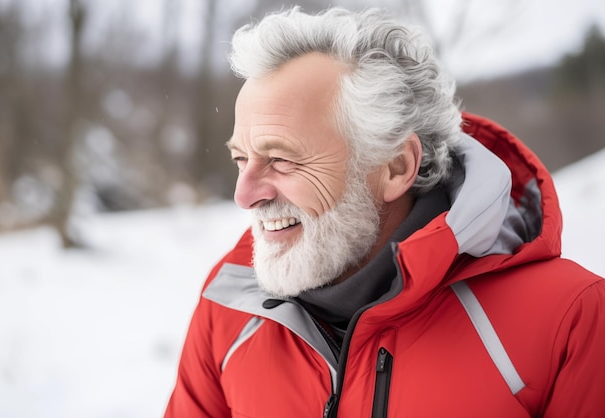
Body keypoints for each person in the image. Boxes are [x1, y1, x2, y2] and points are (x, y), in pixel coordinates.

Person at [165, 7, 605, 418]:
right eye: (241, 159)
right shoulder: (229, 305)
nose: (245, 194)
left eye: (282, 159)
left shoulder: (570, 320)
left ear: (395, 166)